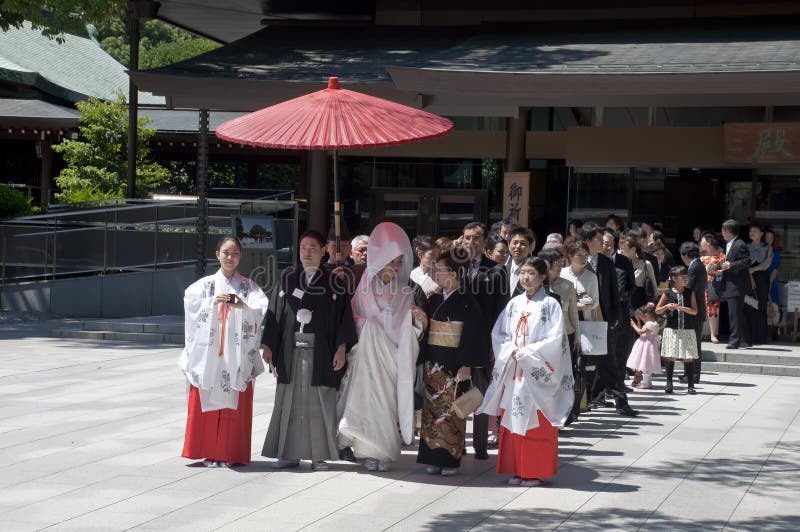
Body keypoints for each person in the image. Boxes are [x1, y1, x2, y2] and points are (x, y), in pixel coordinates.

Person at [261, 230, 358, 471]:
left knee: (320, 402)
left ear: (324, 250)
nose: (307, 252)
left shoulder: (334, 280)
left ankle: (319, 455)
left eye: (313, 248)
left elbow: (344, 318)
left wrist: (341, 348)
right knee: (288, 401)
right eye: (303, 247)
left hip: (322, 351)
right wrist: (268, 345)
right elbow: (274, 314)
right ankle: (288, 453)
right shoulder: (288, 277)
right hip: (289, 350)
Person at [337, 222, 427, 472]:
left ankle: (384, 453)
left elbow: (408, 327)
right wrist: (370, 328)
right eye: (392, 261)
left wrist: (416, 323)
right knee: (367, 401)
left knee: (385, 403)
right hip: (367, 355)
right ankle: (367, 451)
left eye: (399, 262)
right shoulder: (365, 283)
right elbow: (354, 316)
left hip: (391, 355)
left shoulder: (406, 291)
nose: (396, 267)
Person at [479, 257, 574, 487]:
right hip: (514, 369)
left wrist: (526, 353)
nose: (525, 277)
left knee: (536, 423)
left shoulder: (550, 304)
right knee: (512, 421)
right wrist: (510, 349)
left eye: (531, 273)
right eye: (522, 273)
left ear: (543, 277)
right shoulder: (513, 305)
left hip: (535, 371)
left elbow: (555, 339)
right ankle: (518, 469)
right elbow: (499, 334)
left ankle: (535, 471)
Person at [180, 236, 269, 467]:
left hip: (236, 353)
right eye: (226, 253)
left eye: (235, 253)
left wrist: (243, 306)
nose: (230, 258)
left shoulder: (249, 287)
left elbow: (260, 308)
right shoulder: (205, 286)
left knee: (234, 403)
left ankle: (231, 453)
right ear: (217, 253)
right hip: (210, 353)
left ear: (240, 256)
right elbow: (191, 304)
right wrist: (211, 303)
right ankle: (208, 451)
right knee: (207, 396)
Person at [417, 250, 486, 477]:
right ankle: (431, 457)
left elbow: (473, 336)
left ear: (454, 274)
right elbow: (425, 327)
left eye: (440, 270)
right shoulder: (434, 298)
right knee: (431, 412)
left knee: (451, 410)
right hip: (433, 361)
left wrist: (467, 364)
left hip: (454, 363)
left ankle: (449, 459)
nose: (435, 273)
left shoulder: (467, 301)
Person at [461, 221, 510, 460]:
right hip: (456, 338)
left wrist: (496, 343)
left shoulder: (497, 270)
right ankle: (457, 441)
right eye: (467, 238)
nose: (471, 242)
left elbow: (502, 311)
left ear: (485, 242)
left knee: (480, 390)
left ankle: (480, 444)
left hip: (484, 339)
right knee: (457, 390)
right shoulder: (454, 267)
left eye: (476, 238)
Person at [580, 223, 638, 417]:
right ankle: (581, 403)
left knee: (609, 362)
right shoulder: (577, 259)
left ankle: (621, 401)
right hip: (581, 319)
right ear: (588, 241)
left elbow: (614, 292)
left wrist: (614, 318)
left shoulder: (606, 262)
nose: (603, 244)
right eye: (598, 239)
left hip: (603, 320)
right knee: (582, 363)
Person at [540, 247, 581, 424]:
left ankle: (565, 412)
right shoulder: (537, 285)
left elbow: (573, 313)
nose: (559, 268)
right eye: (556, 265)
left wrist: (578, 336)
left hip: (566, 335)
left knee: (564, 376)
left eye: (560, 264)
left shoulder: (567, 285)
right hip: (543, 340)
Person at [561, 240, 598, 420]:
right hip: (564, 324)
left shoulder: (591, 276)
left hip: (584, 323)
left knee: (581, 366)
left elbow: (596, 301)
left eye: (586, 255)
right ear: (569, 256)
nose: (584, 259)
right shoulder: (562, 274)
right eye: (579, 255)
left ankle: (575, 407)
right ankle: (565, 406)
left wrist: (584, 305)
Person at [709, 220, 751, 349]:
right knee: (737, 313)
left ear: (728, 231)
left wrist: (731, 265)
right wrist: (718, 266)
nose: (722, 233)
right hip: (730, 283)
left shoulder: (740, 244)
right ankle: (745, 339)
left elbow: (747, 261)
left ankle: (734, 341)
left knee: (734, 313)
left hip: (737, 284)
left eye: (723, 230)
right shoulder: (727, 243)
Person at [656, 266, 699, 394]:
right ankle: (669, 384)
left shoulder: (690, 292)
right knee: (670, 356)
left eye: (687, 276)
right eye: (682, 276)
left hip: (687, 329)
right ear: (674, 278)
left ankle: (691, 385)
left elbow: (695, 311)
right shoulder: (668, 293)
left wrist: (681, 307)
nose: (686, 279)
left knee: (689, 357)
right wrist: (667, 306)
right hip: (672, 329)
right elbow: (657, 310)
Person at [603, 228, 636, 392]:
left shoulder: (624, 261)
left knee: (621, 348)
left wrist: (624, 297)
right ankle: (605, 387)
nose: (605, 247)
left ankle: (619, 383)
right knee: (607, 350)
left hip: (622, 311)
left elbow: (632, 285)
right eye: (602, 243)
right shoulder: (598, 262)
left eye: (607, 244)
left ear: (614, 244)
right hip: (604, 312)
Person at [679, 241, 707, 384]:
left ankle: (693, 374)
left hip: (695, 311)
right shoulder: (697, 265)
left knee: (693, 344)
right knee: (691, 343)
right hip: (696, 310)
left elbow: (689, 288)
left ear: (685, 255)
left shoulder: (695, 267)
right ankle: (688, 373)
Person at [746, 222, 773, 345]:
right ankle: (750, 337)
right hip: (748, 277)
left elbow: (767, 263)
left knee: (761, 306)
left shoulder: (767, 247)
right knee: (750, 306)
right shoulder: (746, 247)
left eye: (755, 231)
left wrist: (754, 270)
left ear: (761, 234)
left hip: (762, 278)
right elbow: (744, 263)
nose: (752, 233)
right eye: (751, 231)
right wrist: (750, 274)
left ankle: (761, 338)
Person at [626, 303, 662, 390]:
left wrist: (633, 325)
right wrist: (638, 321)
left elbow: (640, 332)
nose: (642, 319)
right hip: (647, 344)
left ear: (647, 315)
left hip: (646, 345)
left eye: (641, 317)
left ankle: (646, 383)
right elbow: (642, 330)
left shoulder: (650, 324)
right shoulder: (654, 323)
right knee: (646, 364)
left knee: (645, 364)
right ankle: (648, 382)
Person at [619, 232, 658, 310]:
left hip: (640, 303)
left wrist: (650, 306)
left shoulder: (645, 264)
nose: (621, 252)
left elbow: (654, 288)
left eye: (623, 249)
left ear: (633, 249)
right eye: (620, 249)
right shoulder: (619, 265)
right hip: (623, 303)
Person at [699, 232, 726, 344]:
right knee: (700, 309)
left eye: (703, 240)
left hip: (713, 284)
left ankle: (713, 334)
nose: (701, 242)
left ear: (709, 242)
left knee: (713, 309)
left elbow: (725, 270)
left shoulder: (720, 255)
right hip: (701, 284)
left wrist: (715, 271)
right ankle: (700, 333)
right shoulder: (700, 254)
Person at [410, 235, 440, 304]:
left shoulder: (441, 274)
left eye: (437, 255)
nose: (436, 258)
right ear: (420, 255)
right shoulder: (412, 274)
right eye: (432, 255)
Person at [507, 227, 536, 297]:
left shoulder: (536, 271)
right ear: (508, 245)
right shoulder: (503, 269)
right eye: (515, 242)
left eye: (523, 243)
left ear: (529, 247)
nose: (518, 246)